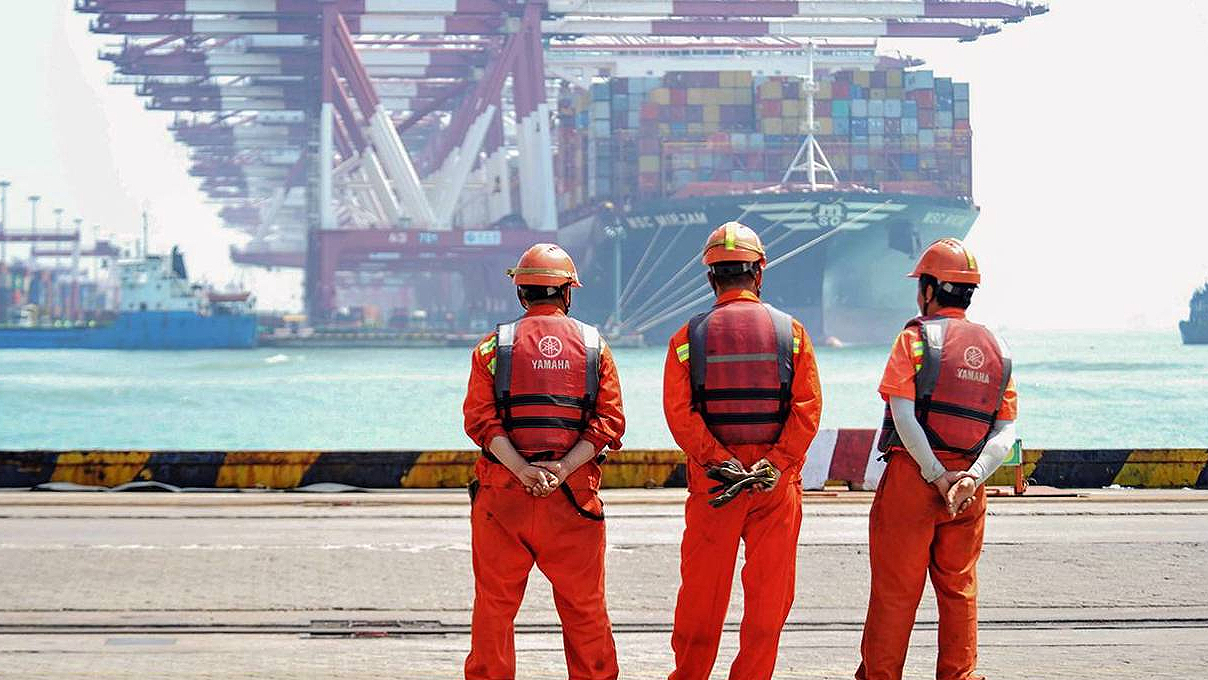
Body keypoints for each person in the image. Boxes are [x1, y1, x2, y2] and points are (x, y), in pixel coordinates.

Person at [662, 221, 823, 680]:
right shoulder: (791, 334)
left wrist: (720, 461)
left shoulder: (686, 339)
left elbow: (680, 414)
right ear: (760, 272)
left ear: (711, 276)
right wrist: (773, 464)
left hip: (717, 487)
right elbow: (807, 409)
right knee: (769, 599)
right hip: (774, 488)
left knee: (701, 595)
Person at [856, 237, 1019, 680]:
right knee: (959, 589)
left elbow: (902, 415)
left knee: (895, 593)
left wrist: (936, 474)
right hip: (969, 487)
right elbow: (1005, 432)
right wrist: (971, 478)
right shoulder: (998, 350)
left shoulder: (915, 339)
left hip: (915, 479)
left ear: (929, 289)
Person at [462, 243, 626, 680]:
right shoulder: (595, 346)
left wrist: (522, 470)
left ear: (521, 294)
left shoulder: (492, 347)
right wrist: (562, 470)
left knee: (494, 611)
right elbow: (609, 421)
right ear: (567, 294)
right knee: (585, 610)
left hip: (503, 499)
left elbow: (479, 420)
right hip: (572, 501)